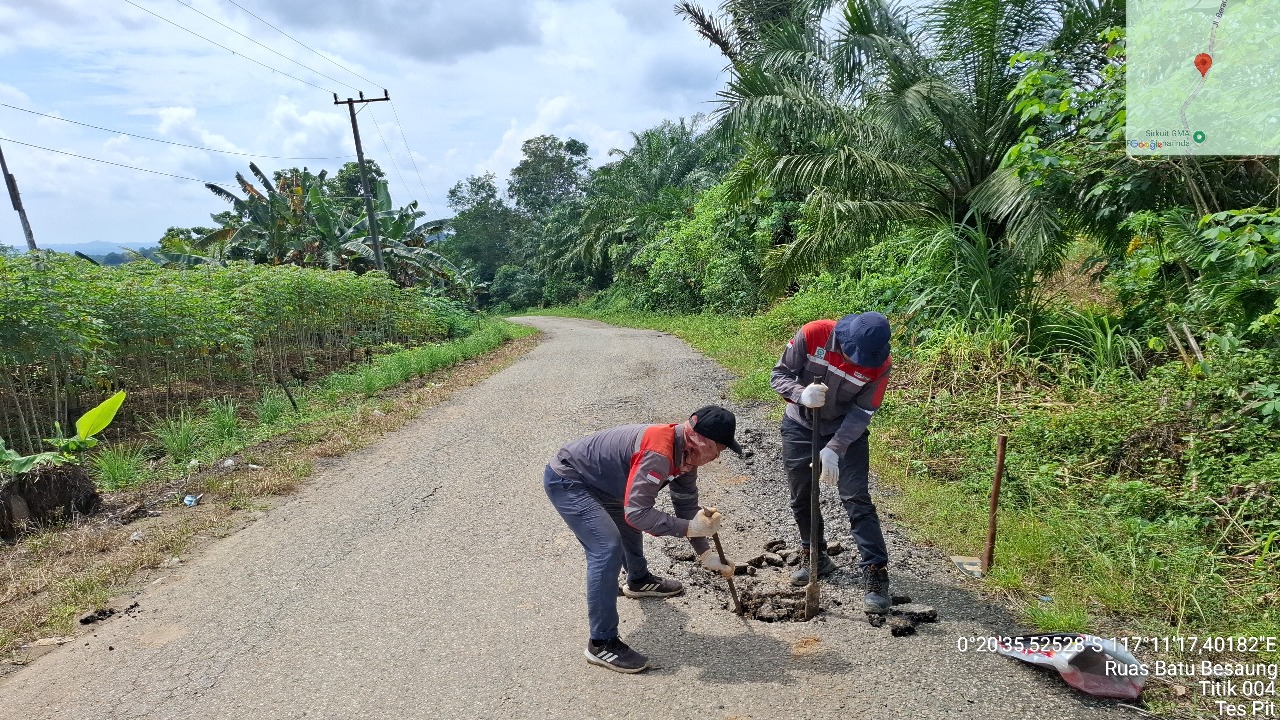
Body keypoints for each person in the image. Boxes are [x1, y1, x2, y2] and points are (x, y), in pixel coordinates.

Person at [544, 405, 741, 673]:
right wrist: (689, 528)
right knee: (607, 547)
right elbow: (638, 513)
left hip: (607, 484)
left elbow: (686, 508)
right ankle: (602, 643)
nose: (718, 457)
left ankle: (638, 580)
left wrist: (706, 554)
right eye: (719, 449)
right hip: (570, 480)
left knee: (626, 526)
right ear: (702, 441)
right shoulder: (659, 452)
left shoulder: (686, 455)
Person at [770, 311, 894, 613]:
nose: (855, 363)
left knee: (856, 497)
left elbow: (863, 412)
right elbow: (779, 375)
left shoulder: (880, 364)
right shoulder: (813, 334)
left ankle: (876, 574)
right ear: (843, 336)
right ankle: (814, 555)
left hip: (844, 432)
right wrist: (801, 394)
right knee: (801, 495)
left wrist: (835, 448)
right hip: (801, 424)